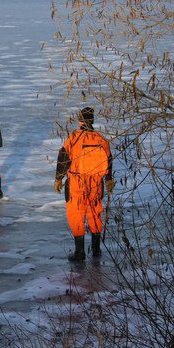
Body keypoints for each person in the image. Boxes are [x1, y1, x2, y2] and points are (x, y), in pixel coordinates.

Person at [54, 107, 115, 261]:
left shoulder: (73, 137)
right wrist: (108, 180)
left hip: (76, 181)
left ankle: (79, 252)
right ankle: (96, 250)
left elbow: (63, 157)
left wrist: (58, 179)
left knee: (76, 214)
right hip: (96, 182)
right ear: (92, 120)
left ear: (80, 120)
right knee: (95, 213)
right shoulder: (101, 138)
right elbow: (109, 160)